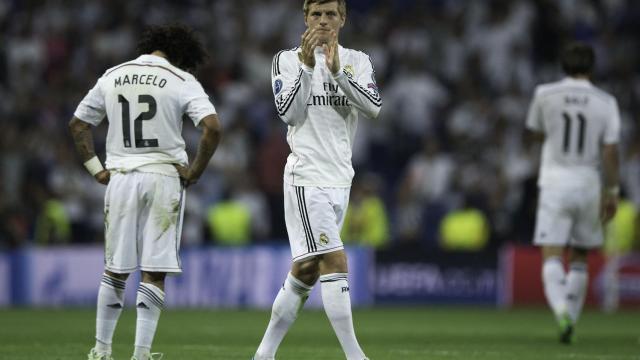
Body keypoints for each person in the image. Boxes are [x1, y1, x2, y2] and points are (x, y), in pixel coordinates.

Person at [69, 24, 222, 360]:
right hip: (163, 178)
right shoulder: (182, 80)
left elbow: (78, 124)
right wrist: (194, 171)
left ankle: (101, 350)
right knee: (154, 270)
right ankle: (141, 354)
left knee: (115, 267)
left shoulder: (113, 75)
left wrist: (97, 169)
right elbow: (212, 126)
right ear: (181, 55)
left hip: (121, 177)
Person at [253, 1, 381, 359]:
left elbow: (373, 107)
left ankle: (263, 355)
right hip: (306, 177)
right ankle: (356, 356)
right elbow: (288, 114)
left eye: (330, 14)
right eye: (316, 15)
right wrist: (309, 68)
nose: (323, 21)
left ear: (343, 18)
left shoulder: (358, 60)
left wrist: (339, 72)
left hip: (341, 176)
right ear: (305, 19)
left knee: (306, 270)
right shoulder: (286, 60)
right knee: (335, 262)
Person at [526, 42, 620, 344]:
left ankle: (562, 310)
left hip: (555, 181)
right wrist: (613, 191)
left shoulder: (544, 94)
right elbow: (610, 152)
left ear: (562, 66)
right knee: (580, 256)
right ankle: (571, 321)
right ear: (592, 68)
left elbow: (537, 133)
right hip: (588, 182)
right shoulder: (606, 102)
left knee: (551, 252)